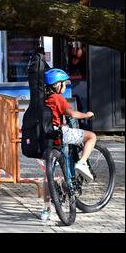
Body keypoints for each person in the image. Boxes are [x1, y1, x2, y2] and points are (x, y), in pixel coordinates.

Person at [40, 68, 96, 221]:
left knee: (48, 176)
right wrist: (87, 115)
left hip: (45, 139)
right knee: (91, 137)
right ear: (57, 85)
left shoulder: (42, 98)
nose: (65, 87)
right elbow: (72, 114)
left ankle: (46, 210)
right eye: (63, 84)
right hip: (59, 135)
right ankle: (82, 163)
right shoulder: (57, 98)